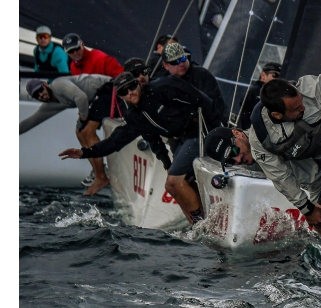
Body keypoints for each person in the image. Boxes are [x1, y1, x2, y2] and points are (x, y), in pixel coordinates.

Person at [209, 76, 321, 308]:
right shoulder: (262, 142)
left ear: (237, 133)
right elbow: (283, 179)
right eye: (230, 160)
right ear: (278, 116)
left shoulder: (309, 88)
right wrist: (307, 207)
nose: (301, 109)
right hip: (319, 167)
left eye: (234, 151)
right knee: (320, 219)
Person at [59, 73, 225, 224]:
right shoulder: (135, 117)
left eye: (132, 87)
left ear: (139, 84)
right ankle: (196, 222)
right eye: (125, 92)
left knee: (174, 180)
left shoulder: (162, 87)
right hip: (181, 139)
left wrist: (216, 130)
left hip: (199, 133)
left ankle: (202, 223)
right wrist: (84, 152)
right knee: (171, 185)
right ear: (121, 97)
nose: (131, 92)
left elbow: (202, 100)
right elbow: (117, 142)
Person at [20, 74, 118, 195]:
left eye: (40, 90)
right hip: (100, 96)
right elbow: (30, 122)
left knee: (86, 131)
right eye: (36, 95)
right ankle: (99, 173)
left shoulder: (57, 84)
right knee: (79, 132)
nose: (41, 95)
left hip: (110, 88)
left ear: (45, 85)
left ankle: (101, 177)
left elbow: (81, 97)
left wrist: (82, 119)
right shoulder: (51, 105)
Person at [161, 42, 228, 125]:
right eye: (176, 61)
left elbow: (212, 105)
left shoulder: (201, 74)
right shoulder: (166, 83)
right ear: (166, 65)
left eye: (183, 58)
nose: (181, 64)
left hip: (211, 125)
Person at [237, 62, 281, 130]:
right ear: (263, 75)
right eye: (275, 75)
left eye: (281, 76)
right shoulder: (255, 91)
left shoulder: (274, 92)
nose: (278, 79)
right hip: (251, 132)